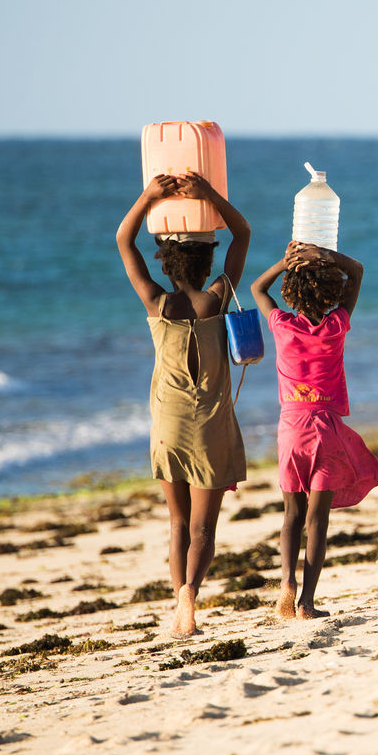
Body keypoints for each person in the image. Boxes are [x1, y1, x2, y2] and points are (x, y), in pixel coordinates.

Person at [116, 173, 251, 638]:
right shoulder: (217, 298)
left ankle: (178, 605)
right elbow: (244, 234)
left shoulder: (157, 302)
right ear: (208, 261)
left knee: (176, 523)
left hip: (168, 424)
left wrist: (150, 197)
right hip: (211, 424)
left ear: (167, 266)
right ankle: (192, 593)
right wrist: (210, 196)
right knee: (203, 530)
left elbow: (123, 240)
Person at [252, 241, 378, 619]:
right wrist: (325, 256)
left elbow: (257, 289)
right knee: (317, 520)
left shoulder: (281, 326)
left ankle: (286, 584)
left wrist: (285, 261)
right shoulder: (335, 326)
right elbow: (357, 270)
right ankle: (307, 603)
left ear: (291, 295)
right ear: (331, 293)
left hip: (290, 429)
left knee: (291, 515)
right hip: (325, 431)